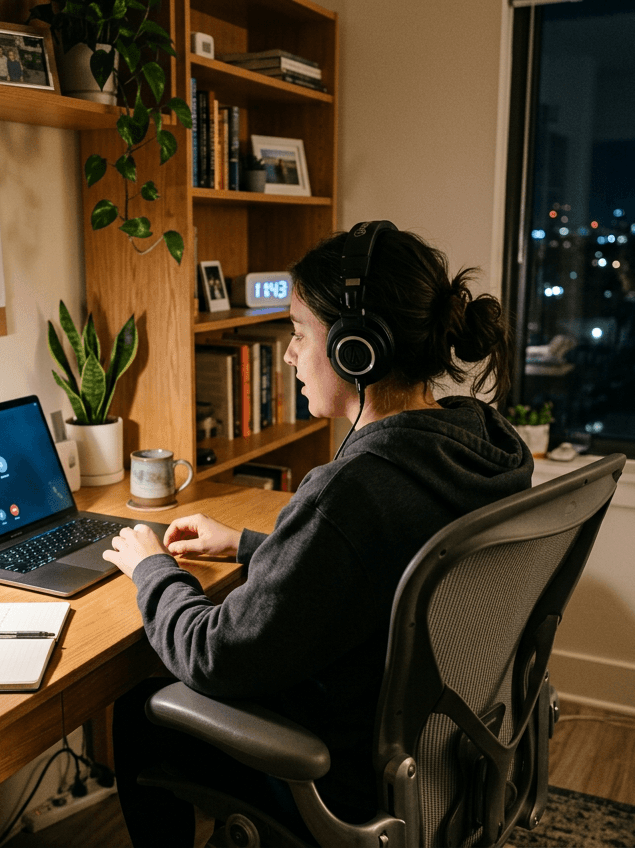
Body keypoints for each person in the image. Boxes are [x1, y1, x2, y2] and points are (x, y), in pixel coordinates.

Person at [102, 223, 534, 846]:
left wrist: (152, 570)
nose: (288, 354)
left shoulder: (356, 488)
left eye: (300, 332)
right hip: (445, 757)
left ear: (358, 350)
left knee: (139, 711)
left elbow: (212, 656)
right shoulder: (481, 444)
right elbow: (381, 562)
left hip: (341, 775)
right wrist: (248, 545)